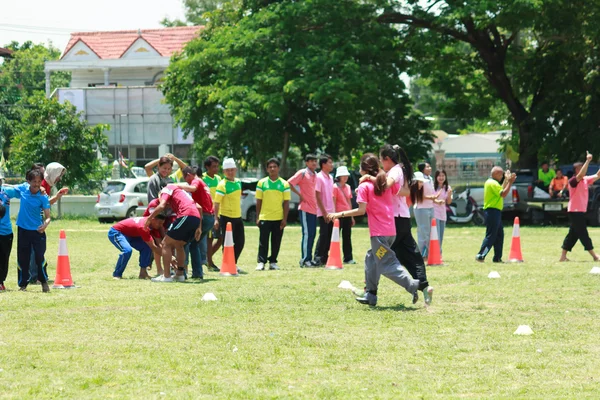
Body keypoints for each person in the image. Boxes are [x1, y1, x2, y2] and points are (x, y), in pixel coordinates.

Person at [328, 154, 427, 307]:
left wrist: (338, 214)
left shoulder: (364, 186)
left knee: (386, 264)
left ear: (363, 169)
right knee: (371, 258)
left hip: (379, 234)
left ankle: (412, 285)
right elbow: (404, 191)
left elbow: (361, 211)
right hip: (390, 232)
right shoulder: (384, 183)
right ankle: (371, 294)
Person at [378, 144, 430, 304]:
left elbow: (387, 184)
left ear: (387, 159)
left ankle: (369, 290)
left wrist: (373, 179)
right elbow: (406, 191)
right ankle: (424, 286)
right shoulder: (402, 169)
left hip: (393, 221)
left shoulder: (394, 171)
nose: (380, 163)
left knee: (378, 254)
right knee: (411, 255)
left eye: (381, 159)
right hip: (403, 220)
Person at [145, 184, 201, 282]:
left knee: (165, 244)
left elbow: (161, 205)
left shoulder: (166, 189)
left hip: (186, 215)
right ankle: (180, 275)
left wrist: (149, 218)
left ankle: (166, 276)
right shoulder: (182, 193)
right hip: (195, 218)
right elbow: (199, 207)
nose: (167, 205)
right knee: (179, 245)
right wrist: (199, 227)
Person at [13, 169, 52, 292]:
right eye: (34, 181)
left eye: (39, 181)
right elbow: (9, 187)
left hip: (37, 231)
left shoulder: (43, 197)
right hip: (23, 230)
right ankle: (23, 284)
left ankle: (44, 282)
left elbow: (48, 217)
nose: (37, 184)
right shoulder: (23, 189)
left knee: (39, 257)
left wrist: (45, 225)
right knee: (23, 257)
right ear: (28, 181)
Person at [30, 162, 68, 284]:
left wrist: (57, 196)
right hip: (33, 219)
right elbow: (40, 204)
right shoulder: (43, 184)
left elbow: (45, 204)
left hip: (38, 218)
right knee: (35, 249)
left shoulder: (48, 184)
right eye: (59, 175)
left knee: (39, 248)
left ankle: (38, 275)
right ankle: (34, 277)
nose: (59, 178)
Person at [559, 152, 600, 262]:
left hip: (580, 211)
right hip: (574, 211)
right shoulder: (572, 181)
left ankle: (563, 256)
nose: (582, 169)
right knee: (583, 233)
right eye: (580, 168)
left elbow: (598, 175)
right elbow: (581, 175)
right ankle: (595, 256)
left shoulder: (585, 180)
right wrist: (588, 161)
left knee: (573, 234)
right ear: (575, 170)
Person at [177, 165, 215, 279]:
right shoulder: (203, 183)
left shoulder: (196, 181)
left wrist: (177, 186)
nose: (186, 182)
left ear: (188, 175)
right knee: (194, 244)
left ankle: (182, 272)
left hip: (203, 217)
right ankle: (197, 273)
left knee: (185, 242)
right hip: (210, 217)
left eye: (185, 179)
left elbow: (192, 189)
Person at [255, 158, 290, 271]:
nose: (272, 169)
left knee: (276, 241)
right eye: (270, 167)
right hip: (265, 217)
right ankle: (261, 262)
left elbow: (286, 203)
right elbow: (259, 201)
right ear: (267, 169)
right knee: (263, 241)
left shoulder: (284, 184)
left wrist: (284, 219)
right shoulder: (261, 183)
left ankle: (273, 261)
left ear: (278, 168)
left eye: (274, 166)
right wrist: (258, 217)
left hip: (278, 218)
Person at [475, 166, 516, 263]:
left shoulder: (492, 183)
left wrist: (506, 179)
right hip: (492, 211)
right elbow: (503, 193)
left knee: (499, 235)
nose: (502, 176)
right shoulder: (492, 183)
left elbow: (501, 188)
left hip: (495, 211)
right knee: (491, 235)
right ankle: (481, 255)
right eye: (501, 175)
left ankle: (497, 258)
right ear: (497, 174)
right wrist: (510, 182)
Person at [213, 158, 245, 269]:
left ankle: (233, 263)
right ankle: (227, 264)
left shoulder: (238, 182)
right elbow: (216, 203)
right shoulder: (222, 185)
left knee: (240, 242)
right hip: (226, 217)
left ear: (236, 170)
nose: (230, 172)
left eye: (232, 170)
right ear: (224, 172)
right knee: (227, 243)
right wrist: (216, 219)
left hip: (238, 216)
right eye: (227, 170)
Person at [288, 154, 319, 267]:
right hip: (305, 209)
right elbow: (289, 183)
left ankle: (309, 259)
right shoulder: (302, 173)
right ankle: (304, 260)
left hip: (314, 209)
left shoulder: (315, 175)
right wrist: (299, 195)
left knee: (312, 234)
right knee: (307, 234)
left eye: (315, 161)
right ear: (307, 163)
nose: (314, 163)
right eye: (311, 161)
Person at [202, 156, 222, 272]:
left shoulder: (219, 179)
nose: (216, 169)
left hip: (218, 212)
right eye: (213, 166)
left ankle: (207, 258)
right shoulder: (203, 178)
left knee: (220, 238)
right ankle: (209, 262)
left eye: (217, 166)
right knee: (209, 239)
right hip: (208, 213)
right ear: (207, 167)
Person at [314, 154, 335, 266]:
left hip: (331, 211)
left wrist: (333, 212)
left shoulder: (331, 178)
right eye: (329, 162)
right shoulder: (319, 177)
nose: (332, 165)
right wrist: (324, 212)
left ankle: (325, 258)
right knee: (323, 234)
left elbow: (332, 196)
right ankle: (317, 257)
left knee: (329, 235)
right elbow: (317, 196)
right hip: (323, 211)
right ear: (323, 164)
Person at [413, 162, 437, 257]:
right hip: (421, 208)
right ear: (422, 169)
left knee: (430, 232)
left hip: (430, 207)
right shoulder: (419, 178)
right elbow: (419, 195)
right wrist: (432, 197)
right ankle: (424, 253)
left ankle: (425, 253)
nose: (430, 168)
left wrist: (435, 199)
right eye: (427, 167)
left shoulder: (430, 179)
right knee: (424, 232)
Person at [332, 166, 355, 264]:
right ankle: (331, 256)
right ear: (339, 176)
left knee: (347, 237)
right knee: (335, 237)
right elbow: (333, 202)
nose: (345, 177)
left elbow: (349, 202)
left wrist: (352, 216)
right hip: (338, 215)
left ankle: (348, 258)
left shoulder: (348, 187)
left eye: (346, 175)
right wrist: (334, 215)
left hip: (347, 215)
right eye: (343, 175)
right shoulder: (334, 187)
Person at [0, 175, 18, 292]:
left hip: (6, 232)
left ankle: (1, 281)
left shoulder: (7, 192)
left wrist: (41, 189)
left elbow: (24, 190)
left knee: (4, 258)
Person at [433, 169, 452, 256]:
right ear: (436, 177)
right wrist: (437, 201)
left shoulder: (448, 188)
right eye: (439, 176)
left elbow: (448, 202)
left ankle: (438, 253)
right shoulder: (433, 187)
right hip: (434, 213)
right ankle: (436, 253)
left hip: (443, 214)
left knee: (441, 235)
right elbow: (431, 199)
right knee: (436, 234)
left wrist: (449, 195)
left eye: (443, 176)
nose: (441, 178)